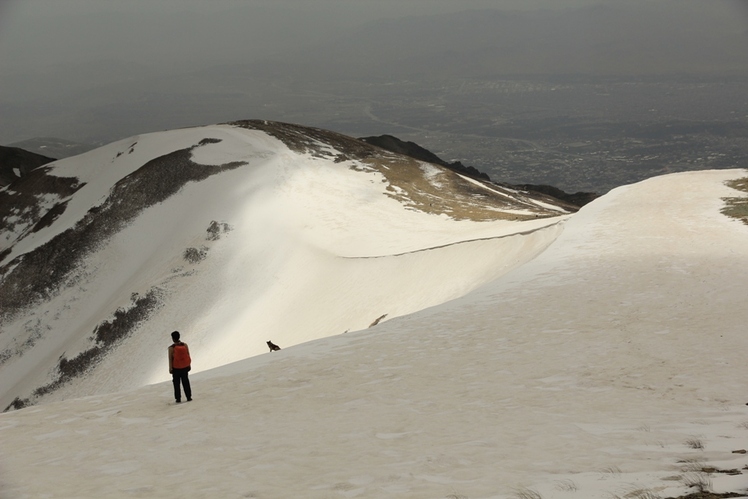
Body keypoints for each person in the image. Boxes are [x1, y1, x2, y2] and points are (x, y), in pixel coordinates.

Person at [168, 331, 192, 403]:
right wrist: (189, 365)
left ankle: (178, 398)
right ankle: (188, 397)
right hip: (185, 367)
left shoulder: (171, 348)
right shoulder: (185, 345)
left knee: (176, 383)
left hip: (176, 368)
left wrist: (170, 368)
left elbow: (170, 359)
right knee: (186, 381)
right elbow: (188, 355)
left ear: (173, 338)